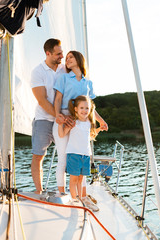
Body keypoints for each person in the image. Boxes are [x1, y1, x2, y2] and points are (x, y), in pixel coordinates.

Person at [52, 51, 108, 195]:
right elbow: (58, 99)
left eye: (70, 56)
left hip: (81, 121)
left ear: (78, 59)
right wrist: (58, 116)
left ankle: (82, 196)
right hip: (65, 118)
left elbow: (89, 108)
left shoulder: (88, 83)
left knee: (81, 156)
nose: (67, 59)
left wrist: (101, 121)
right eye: (66, 58)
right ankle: (62, 194)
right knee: (64, 159)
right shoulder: (63, 78)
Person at [30, 38, 65, 194]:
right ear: (48, 53)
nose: (62, 56)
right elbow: (42, 100)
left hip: (63, 119)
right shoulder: (37, 72)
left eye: (62, 52)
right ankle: (39, 191)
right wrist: (58, 116)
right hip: (43, 120)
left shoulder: (65, 69)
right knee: (38, 156)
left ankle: (66, 189)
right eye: (58, 54)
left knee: (67, 155)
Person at [58, 95, 104, 209]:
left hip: (86, 155)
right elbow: (62, 134)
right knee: (73, 179)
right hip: (74, 154)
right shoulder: (73, 121)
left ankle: (81, 199)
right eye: (82, 108)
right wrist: (60, 124)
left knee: (81, 179)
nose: (84, 111)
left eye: (87, 108)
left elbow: (90, 137)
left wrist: (99, 129)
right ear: (76, 109)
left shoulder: (89, 122)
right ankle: (74, 200)